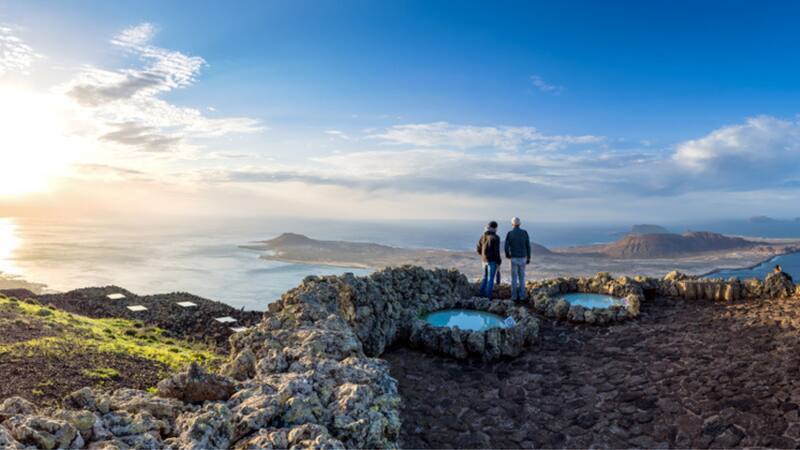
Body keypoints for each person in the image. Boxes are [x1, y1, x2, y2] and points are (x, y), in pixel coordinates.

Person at [504, 217, 531, 301]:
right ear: (519, 224)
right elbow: (528, 246)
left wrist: (508, 254)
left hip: (514, 258)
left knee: (514, 278)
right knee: (522, 278)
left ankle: (514, 297)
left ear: (512, 224)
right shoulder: (524, 233)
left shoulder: (510, 233)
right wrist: (529, 257)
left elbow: (506, 246)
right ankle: (522, 296)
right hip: (523, 258)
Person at [476, 221, 501, 299]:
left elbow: (478, 247)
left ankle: (481, 294)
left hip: (484, 261)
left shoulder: (483, 236)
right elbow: (496, 251)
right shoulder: (496, 238)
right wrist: (499, 261)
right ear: (495, 228)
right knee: (490, 279)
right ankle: (488, 297)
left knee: (485, 277)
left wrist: (483, 255)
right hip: (492, 261)